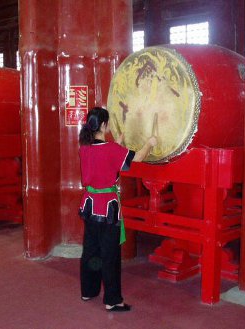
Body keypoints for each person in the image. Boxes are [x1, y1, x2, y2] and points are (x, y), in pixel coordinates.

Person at [78, 107, 157, 312]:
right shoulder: (111, 150)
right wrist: (150, 143)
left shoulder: (84, 147)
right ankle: (112, 300)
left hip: (89, 205)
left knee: (91, 250)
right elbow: (137, 158)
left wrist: (118, 144)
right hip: (108, 208)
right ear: (104, 125)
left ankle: (88, 290)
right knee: (110, 255)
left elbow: (102, 159)